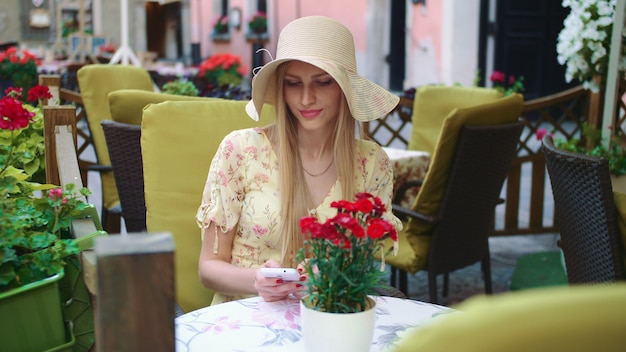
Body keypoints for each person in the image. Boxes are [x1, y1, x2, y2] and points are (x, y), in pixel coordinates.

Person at [196, 15, 402, 305]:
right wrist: (256, 281)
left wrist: (332, 275)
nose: (306, 99)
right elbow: (208, 269)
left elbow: (364, 268)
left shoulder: (371, 163)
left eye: (322, 82)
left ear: (344, 88)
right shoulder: (240, 150)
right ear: (281, 88)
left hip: (329, 315)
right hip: (245, 318)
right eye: (293, 84)